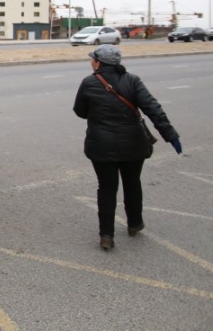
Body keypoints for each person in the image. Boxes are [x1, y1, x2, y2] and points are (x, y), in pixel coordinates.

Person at [73, 44, 182, 251]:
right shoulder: (132, 80)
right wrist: (170, 135)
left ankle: (106, 235)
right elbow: (153, 108)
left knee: (106, 188)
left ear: (98, 62)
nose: (90, 62)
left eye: (92, 59)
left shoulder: (89, 82)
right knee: (132, 183)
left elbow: (80, 111)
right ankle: (134, 223)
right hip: (133, 144)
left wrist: (98, 115)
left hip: (101, 145)